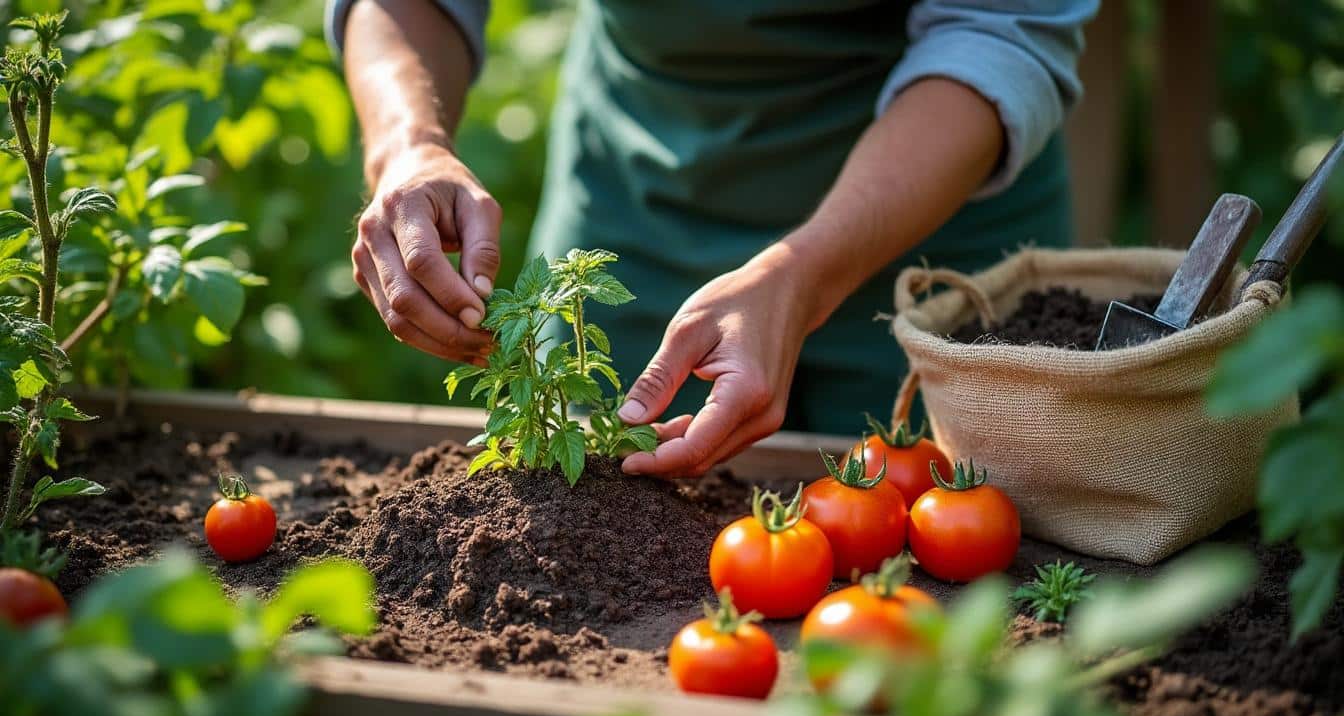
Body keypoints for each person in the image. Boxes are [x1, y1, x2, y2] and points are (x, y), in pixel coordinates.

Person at [328, 0, 1098, 478]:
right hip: (645, 195)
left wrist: (804, 273)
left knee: (951, 564)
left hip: (933, 234)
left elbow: (999, 33)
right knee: (600, 502)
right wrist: (408, 146)